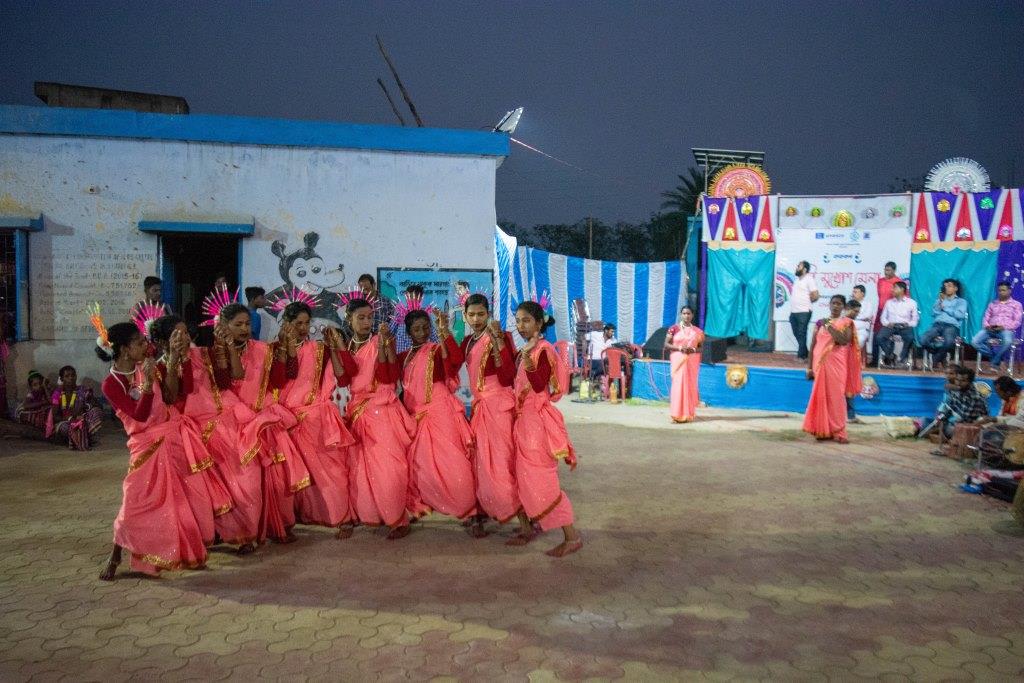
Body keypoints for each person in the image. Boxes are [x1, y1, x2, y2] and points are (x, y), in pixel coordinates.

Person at [97, 322, 207, 580]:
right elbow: (140, 414)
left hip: (170, 438)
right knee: (133, 503)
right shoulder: (110, 384)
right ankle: (115, 555)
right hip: (144, 446)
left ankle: (184, 551)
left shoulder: (150, 366)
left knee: (177, 500)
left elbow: (171, 397)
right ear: (124, 349)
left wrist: (172, 363)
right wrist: (147, 383)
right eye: (139, 343)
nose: (146, 346)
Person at [150, 315, 260, 554]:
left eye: (186, 333)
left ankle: (243, 532)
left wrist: (225, 346)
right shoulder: (158, 367)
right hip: (194, 434)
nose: (185, 338)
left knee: (243, 480)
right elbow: (177, 395)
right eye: (177, 335)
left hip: (225, 425)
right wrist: (176, 361)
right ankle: (220, 534)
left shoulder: (204, 354)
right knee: (211, 490)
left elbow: (225, 380)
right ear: (162, 342)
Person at [214, 303, 309, 545]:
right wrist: (228, 350)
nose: (245, 328)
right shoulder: (215, 353)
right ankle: (244, 535)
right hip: (234, 424)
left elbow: (280, 379)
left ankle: (278, 527)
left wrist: (285, 349)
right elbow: (229, 381)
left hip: (264, 421)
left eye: (247, 324)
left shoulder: (262, 350)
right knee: (246, 483)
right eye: (238, 324)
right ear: (224, 327)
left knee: (276, 476)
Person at [275, 301, 358, 539]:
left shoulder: (318, 350)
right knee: (298, 473)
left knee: (332, 471)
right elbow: (282, 380)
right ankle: (306, 515)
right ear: (286, 323)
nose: (303, 327)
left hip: (317, 419)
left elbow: (343, 378)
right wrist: (287, 347)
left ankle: (342, 517)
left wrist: (336, 347)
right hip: (289, 421)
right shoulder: (273, 350)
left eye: (306, 323)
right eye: (297, 323)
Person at [510, 301, 582, 557]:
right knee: (522, 477)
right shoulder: (526, 349)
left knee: (542, 480)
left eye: (527, 320)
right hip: (523, 421)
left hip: (535, 425)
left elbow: (540, 385)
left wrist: (528, 364)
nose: (521, 326)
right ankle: (529, 527)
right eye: (518, 320)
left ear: (540, 323)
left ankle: (571, 537)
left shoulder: (544, 349)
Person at [342, 297, 415, 540]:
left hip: (382, 410)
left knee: (389, 467)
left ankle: (398, 519)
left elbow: (390, 376)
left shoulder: (380, 341)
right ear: (348, 319)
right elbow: (344, 381)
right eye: (360, 318)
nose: (366, 322)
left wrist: (384, 348)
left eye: (369, 317)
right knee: (362, 468)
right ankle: (372, 514)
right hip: (358, 412)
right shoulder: (348, 346)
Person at [397, 308, 477, 525]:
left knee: (453, 462)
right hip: (416, 417)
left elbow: (456, 358)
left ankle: (466, 509)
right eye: (416, 329)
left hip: (441, 412)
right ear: (408, 332)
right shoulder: (403, 357)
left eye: (425, 327)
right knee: (421, 464)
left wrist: (444, 331)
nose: (422, 332)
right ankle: (424, 504)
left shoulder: (436, 349)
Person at [459, 294, 519, 537]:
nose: (476, 319)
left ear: (489, 314)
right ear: (465, 316)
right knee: (481, 462)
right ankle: (484, 510)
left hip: (499, 407)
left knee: (503, 462)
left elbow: (508, 376)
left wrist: (497, 342)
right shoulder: (466, 342)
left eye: (481, 314)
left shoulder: (501, 337)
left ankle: (516, 512)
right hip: (480, 407)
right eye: (471, 315)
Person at [803, 295, 861, 444]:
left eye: (839, 304)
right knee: (821, 397)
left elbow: (843, 340)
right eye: (833, 303)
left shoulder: (846, 322)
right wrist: (809, 368)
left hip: (837, 365)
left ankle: (840, 431)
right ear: (829, 305)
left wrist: (828, 324)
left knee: (836, 398)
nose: (835, 306)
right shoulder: (819, 323)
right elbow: (813, 345)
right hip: (820, 364)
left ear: (843, 307)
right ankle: (822, 430)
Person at [46, 365, 103, 450]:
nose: (71, 378)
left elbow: (97, 406)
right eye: (67, 376)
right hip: (66, 422)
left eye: (73, 375)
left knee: (96, 411)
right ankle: (81, 438)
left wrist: (90, 397)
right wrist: (71, 419)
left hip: (82, 420)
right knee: (66, 427)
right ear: (61, 379)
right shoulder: (57, 394)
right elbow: (55, 416)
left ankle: (82, 437)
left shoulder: (82, 390)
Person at [664, 306, 704, 424]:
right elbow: (666, 344)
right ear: (681, 315)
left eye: (689, 313)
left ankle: (688, 414)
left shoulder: (698, 331)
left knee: (690, 386)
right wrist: (680, 348)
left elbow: (701, 348)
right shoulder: (674, 329)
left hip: (691, 360)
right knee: (678, 386)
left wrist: (693, 349)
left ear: (692, 315)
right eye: (684, 313)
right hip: (678, 360)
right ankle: (676, 415)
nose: (686, 316)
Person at [972, 282, 1023, 372]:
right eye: (999, 290)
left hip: (1006, 330)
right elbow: (986, 317)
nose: (1001, 292)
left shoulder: (1016, 305)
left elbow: (1017, 321)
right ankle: (996, 358)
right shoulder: (993, 304)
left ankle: (995, 362)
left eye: (1003, 290)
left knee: (1008, 341)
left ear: (1009, 291)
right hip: (990, 329)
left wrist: (1004, 327)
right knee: (974, 342)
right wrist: (987, 326)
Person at [976, 376, 1024, 466]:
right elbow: (1000, 417)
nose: (997, 395)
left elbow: (1019, 419)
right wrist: (989, 421)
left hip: (1020, 428)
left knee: (1003, 425)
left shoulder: (1022, 399)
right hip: (1009, 424)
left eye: (999, 392)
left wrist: (995, 420)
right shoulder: (1007, 399)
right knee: (982, 422)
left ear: (1009, 392)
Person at [919, 279, 967, 368]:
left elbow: (960, 315)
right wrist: (940, 302)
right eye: (945, 286)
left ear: (955, 288)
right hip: (937, 324)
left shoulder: (961, 301)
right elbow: (934, 313)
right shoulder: (940, 300)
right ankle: (941, 355)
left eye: (949, 286)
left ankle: (935, 358)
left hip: (951, 326)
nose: (946, 288)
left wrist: (945, 308)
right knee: (923, 339)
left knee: (949, 342)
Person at [873, 281, 918, 367]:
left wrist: (907, 324)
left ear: (902, 289)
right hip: (891, 325)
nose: (892, 290)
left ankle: (902, 357)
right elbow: (883, 318)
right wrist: (887, 323)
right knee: (879, 337)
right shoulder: (889, 302)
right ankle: (890, 355)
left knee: (910, 338)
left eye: (894, 288)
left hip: (904, 326)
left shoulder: (912, 303)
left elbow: (915, 320)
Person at [940, 365, 989, 439]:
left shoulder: (975, 397)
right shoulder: (958, 390)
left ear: (970, 382)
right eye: (957, 380)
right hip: (956, 423)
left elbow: (965, 419)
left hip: (969, 427)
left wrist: (945, 423)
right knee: (929, 420)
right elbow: (950, 408)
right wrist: (941, 417)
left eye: (963, 381)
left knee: (949, 429)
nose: (958, 383)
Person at [392, 284, 438, 353]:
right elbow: (390, 331)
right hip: (402, 353)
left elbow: (434, 336)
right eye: (408, 297)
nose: (410, 300)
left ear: (420, 298)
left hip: (420, 354)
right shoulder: (400, 313)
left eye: (414, 298)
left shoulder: (425, 315)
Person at [789, 260, 819, 360]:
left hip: (804, 311)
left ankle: (801, 356)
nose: (797, 267)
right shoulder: (797, 280)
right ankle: (805, 353)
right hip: (794, 311)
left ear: (805, 269)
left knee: (801, 333)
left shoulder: (809, 279)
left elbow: (815, 294)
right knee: (796, 332)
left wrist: (807, 302)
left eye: (799, 266)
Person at [844, 301, 865, 424]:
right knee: (847, 388)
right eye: (855, 311)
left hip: (850, 359)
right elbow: (845, 341)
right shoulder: (845, 322)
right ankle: (849, 416)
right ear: (847, 308)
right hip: (843, 359)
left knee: (849, 387)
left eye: (858, 312)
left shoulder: (849, 322)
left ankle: (850, 415)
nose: (856, 314)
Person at [875, 261, 907, 332]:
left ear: (894, 270)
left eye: (888, 270)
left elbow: (904, 297)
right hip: (880, 309)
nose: (886, 272)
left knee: (888, 332)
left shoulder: (899, 282)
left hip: (892, 311)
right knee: (877, 332)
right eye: (885, 270)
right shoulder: (881, 281)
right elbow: (879, 295)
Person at [850, 285, 875, 354]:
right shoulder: (850, 304)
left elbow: (867, 316)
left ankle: (854, 359)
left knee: (860, 340)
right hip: (849, 328)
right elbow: (846, 315)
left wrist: (853, 316)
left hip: (862, 330)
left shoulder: (868, 304)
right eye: (853, 292)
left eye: (855, 292)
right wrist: (859, 317)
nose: (853, 294)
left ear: (862, 294)